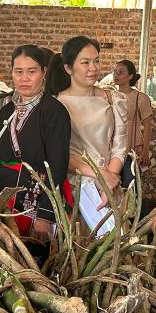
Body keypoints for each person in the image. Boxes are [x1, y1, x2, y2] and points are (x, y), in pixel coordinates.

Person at [0, 44, 71, 240]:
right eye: (18, 71)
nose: (24, 78)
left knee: (35, 251)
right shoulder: (6, 110)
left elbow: (58, 164)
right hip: (4, 198)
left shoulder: (54, 111)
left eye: (31, 71)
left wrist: (44, 214)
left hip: (36, 199)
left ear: (44, 72)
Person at [51, 36, 127, 231]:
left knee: (114, 240)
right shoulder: (57, 105)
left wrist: (109, 180)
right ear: (68, 68)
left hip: (110, 185)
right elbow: (59, 153)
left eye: (96, 61)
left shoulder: (112, 99)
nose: (93, 68)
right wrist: (100, 176)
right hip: (75, 189)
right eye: (85, 62)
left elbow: (120, 145)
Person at [112, 59, 152, 174]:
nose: (116, 75)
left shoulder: (141, 98)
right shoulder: (111, 96)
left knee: (130, 180)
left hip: (131, 149)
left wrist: (145, 150)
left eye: (121, 72)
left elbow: (148, 125)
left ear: (130, 76)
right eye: (115, 71)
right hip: (113, 148)